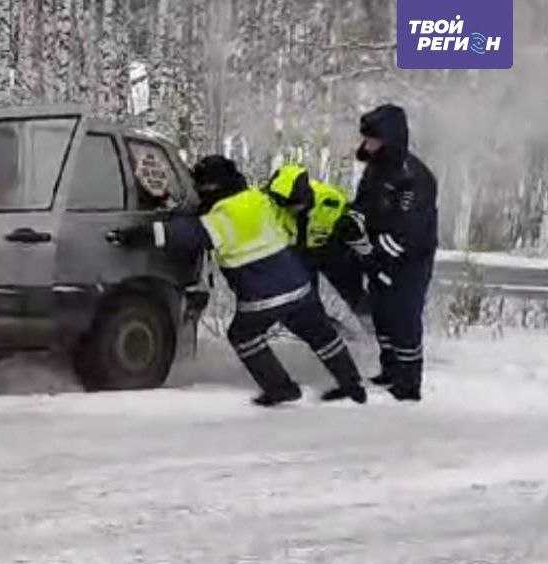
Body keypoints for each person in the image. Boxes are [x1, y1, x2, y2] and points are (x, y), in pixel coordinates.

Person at [107, 155, 367, 406]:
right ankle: (352, 383)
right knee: (320, 333)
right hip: (299, 287)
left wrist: (131, 236)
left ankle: (281, 388)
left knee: (243, 335)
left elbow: (181, 234)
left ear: (210, 188)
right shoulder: (260, 199)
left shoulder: (222, 217)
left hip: (262, 295)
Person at [349, 104, 438, 402]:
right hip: (379, 253)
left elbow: (408, 230)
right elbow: (362, 203)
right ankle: (390, 370)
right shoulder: (376, 168)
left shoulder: (415, 176)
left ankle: (409, 382)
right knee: (382, 312)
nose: (367, 145)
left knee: (404, 316)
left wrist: (379, 259)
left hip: (410, 259)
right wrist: (353, 222)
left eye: (373, 139)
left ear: (390, 138)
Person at [264, 164, 369, 316]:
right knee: (307, 307)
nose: (291, 210)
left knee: (356, 296)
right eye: (287, 207)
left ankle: (376, 329)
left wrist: (351, 229)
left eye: (294, 205)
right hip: (296, 255)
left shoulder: (329, 198)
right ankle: (339, 336)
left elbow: (356, 219)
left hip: (331, 248)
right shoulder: (271, 208)